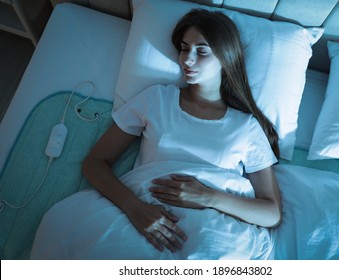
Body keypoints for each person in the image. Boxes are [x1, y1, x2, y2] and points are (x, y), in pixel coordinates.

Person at [30, 9, 281, 260]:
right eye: (184, 48)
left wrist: (209, 197)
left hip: (212, 229)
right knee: (63, 228)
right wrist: (135, 208)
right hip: (143, 214)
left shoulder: (246, 127)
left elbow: (270, 212)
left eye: (201, 51)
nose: (187, 60)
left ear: (226, 57)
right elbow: (94, 163)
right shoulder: (157, 99)